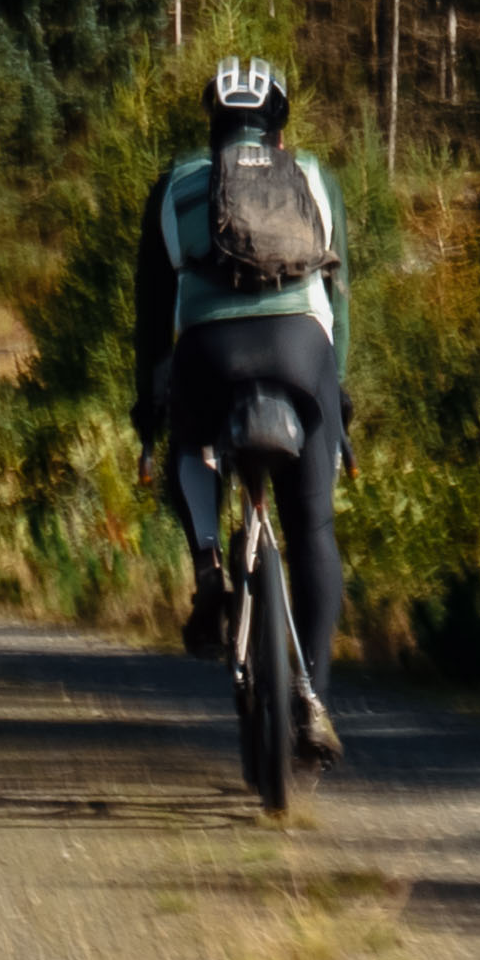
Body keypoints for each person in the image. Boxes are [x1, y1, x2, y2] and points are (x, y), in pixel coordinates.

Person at [137, 55, 356, 731]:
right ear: (279, 135)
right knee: (313, 527)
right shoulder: (315, 179)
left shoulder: (175, 186)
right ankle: (312, 697)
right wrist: (337, 402)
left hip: (209, 357)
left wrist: (148, 416)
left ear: (215, 131)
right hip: (301, 354)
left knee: (188, 441)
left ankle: (207, 562)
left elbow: (151, 320)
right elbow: (339, 302)